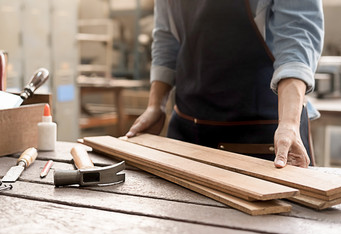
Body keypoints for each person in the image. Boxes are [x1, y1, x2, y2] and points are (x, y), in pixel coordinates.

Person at [125, 0, 324, 168]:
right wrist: (156, 105)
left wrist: (289, 122)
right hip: (187, 130)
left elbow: (297, 35)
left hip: (263, 133)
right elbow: (166, 35)